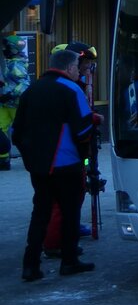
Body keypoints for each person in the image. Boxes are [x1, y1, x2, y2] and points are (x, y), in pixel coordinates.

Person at [12, 45, 101, 280]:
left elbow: (17, 132)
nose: (80, 73)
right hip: (67, 163)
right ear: (70, 67)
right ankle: (69, 261)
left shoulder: (31, 90)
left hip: (39, 165)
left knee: (40, 212)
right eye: (78, 69)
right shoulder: (72, 89)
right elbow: (83, 130)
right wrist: (86, 147)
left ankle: (30, 265)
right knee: (70, 212)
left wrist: (31, 158)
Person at [43, 42, 99, 255]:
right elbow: (76, 120)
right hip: (67, 154)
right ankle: (55, 241)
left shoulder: (76, 84)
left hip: (69, 153)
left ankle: (67, 230)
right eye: (82, 64)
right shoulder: (68, 87)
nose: (85, 68)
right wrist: (91, 121)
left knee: (75, 194)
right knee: (63, 199)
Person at [0, 34, 31, 170]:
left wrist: (9, 95)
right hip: (4, 104)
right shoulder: (9, 63)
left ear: (12, 49)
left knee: (22, 133)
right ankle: (3, 159)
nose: (3, 49)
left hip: (14, 104)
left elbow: (24, 84)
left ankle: (31, 158)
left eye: (6, 47)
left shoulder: (16, 64)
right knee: (1, 130)